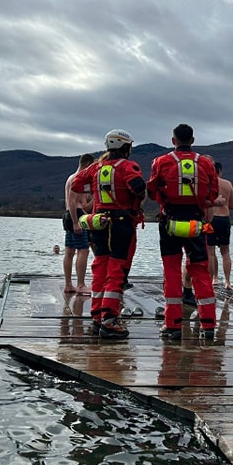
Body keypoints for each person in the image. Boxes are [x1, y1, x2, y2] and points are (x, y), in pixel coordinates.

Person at [147, 123, 219, 342]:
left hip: (169, 220)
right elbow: (213, 194)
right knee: (200, 271)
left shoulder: (161, 162)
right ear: (193, 140)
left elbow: (151, 191)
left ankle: (173, 325)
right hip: (196, 222)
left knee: (171, 272)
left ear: (173, 140)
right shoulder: (206, 164)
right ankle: (208, 326)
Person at [71, 130, 146, 339]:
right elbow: (138, 187)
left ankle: (97, 316)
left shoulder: (96, 167)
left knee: (100, 269)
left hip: (99, 223)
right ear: (125, 147)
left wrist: (97, 188)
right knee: (117, 271)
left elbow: (77, 184)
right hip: (121, 223)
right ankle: (110, 320)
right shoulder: (127, 166)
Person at [63, 153, 95, 294]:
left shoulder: (71, 177)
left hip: (70, 215)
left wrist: (93, 200)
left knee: (69, 251)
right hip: (75, 216)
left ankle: (69, 284)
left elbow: (83, 204)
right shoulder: (77, 178)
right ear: (87, 165)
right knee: (83, 250)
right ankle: (80, 284)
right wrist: (76, 222)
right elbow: (71, 201)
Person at [206, 161, 233, 289]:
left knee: (211, 252)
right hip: (224, 219)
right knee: (225, 252)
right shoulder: (228, 184)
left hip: (211, 219)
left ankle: (214, 278)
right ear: (220, 171)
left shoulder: (208, 184)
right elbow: (232, 205)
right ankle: (228, 281)